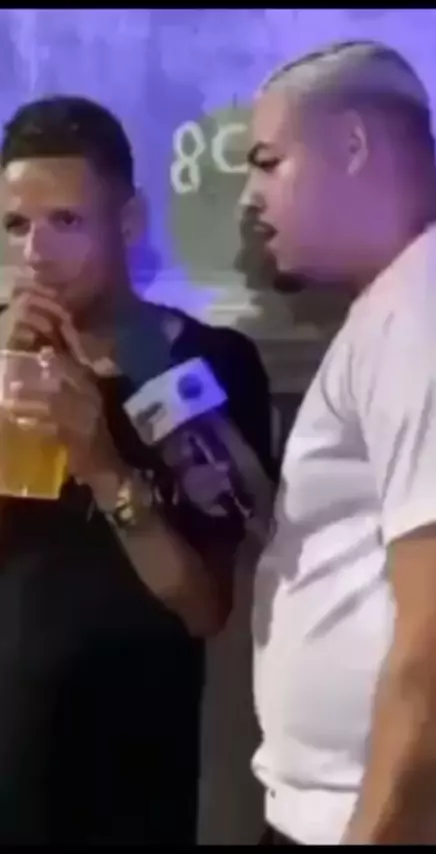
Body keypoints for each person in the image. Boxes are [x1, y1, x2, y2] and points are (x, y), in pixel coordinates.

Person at [0, 95, 275, 844]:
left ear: (128, 223)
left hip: (133, 767)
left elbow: (204, 607)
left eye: (66, 221)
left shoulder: (205, 364)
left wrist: (101, 463)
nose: (35, 254)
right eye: (16, 226)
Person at [241, 40, 436, 845]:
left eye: (268, 162)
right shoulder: (402, 304)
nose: (250, 197)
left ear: (351, 145)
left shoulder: (432, 301)